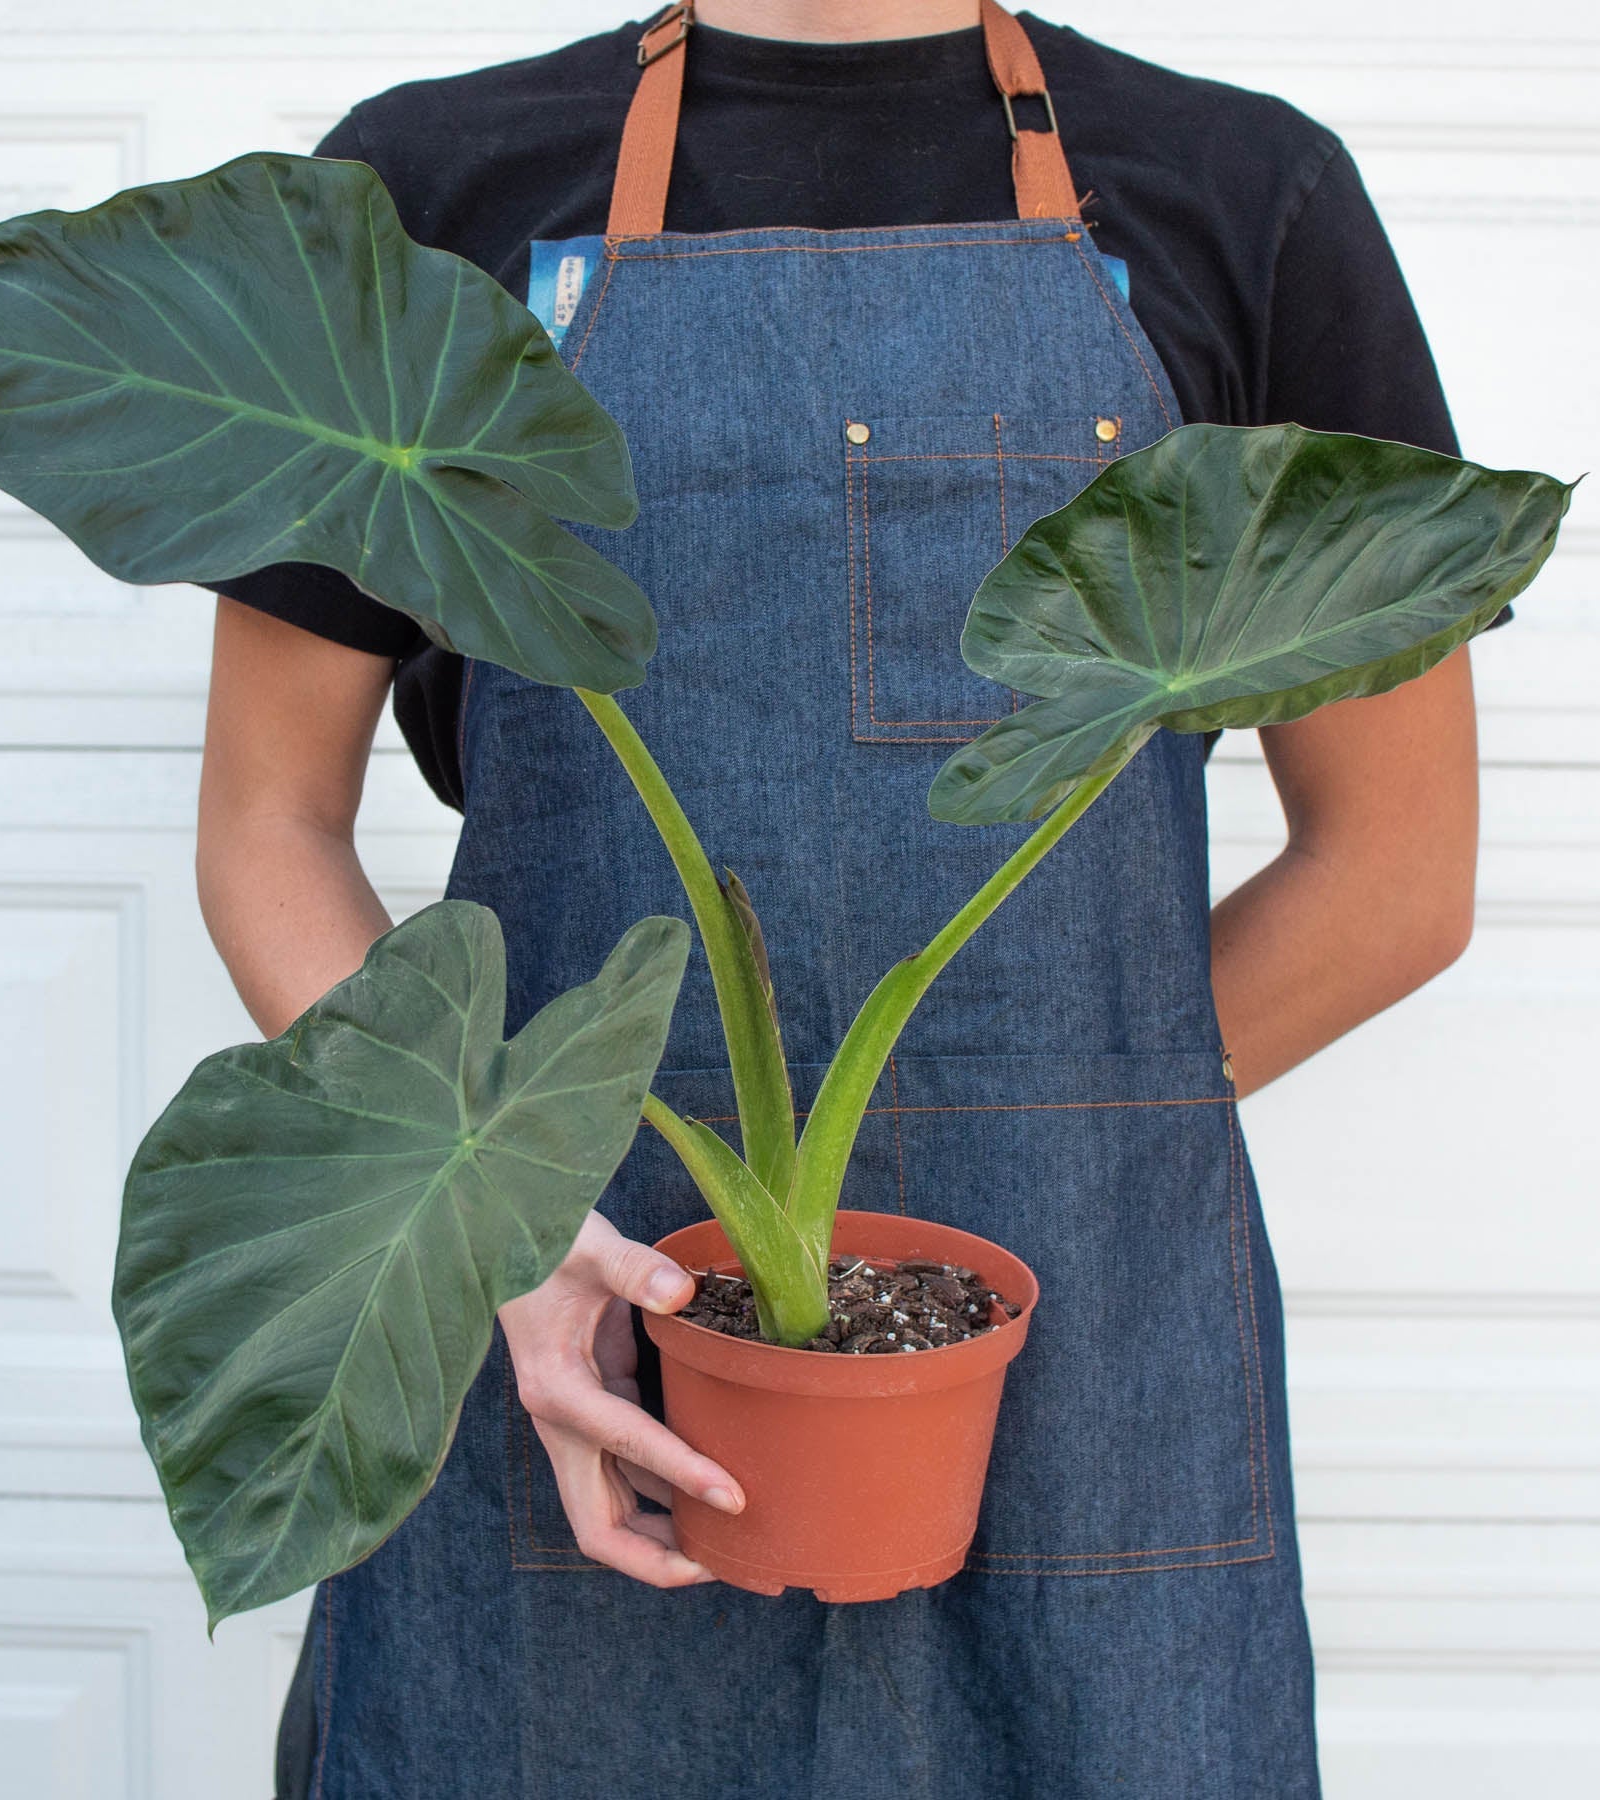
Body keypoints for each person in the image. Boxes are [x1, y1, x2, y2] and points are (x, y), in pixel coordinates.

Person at [194, 4, 1497, 1794]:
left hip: (1075, 1352)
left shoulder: (1243, 189)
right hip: (577, 1332)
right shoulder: (429, 188)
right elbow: (269, 825)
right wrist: (497, 1217)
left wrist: (1058, 1156)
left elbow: (1395, 880)